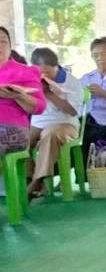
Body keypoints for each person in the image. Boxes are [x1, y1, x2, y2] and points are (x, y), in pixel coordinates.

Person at [25, 48, 84, 199]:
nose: (43, 77)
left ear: (56, 66)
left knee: (50, 135)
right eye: (40, 73)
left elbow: (72, 111)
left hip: (65, 123)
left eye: (48, 73)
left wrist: (49, 93)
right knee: (20, 142)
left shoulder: (71, 82)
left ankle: (39, 179)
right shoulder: (31, 79)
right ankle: (31, 178)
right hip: (38, 123)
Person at [0, 27, 46, 169]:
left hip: (12, 130)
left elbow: (39, 107)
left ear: (10, 46)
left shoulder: (24, 71)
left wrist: (18, 96)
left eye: (3, 41)